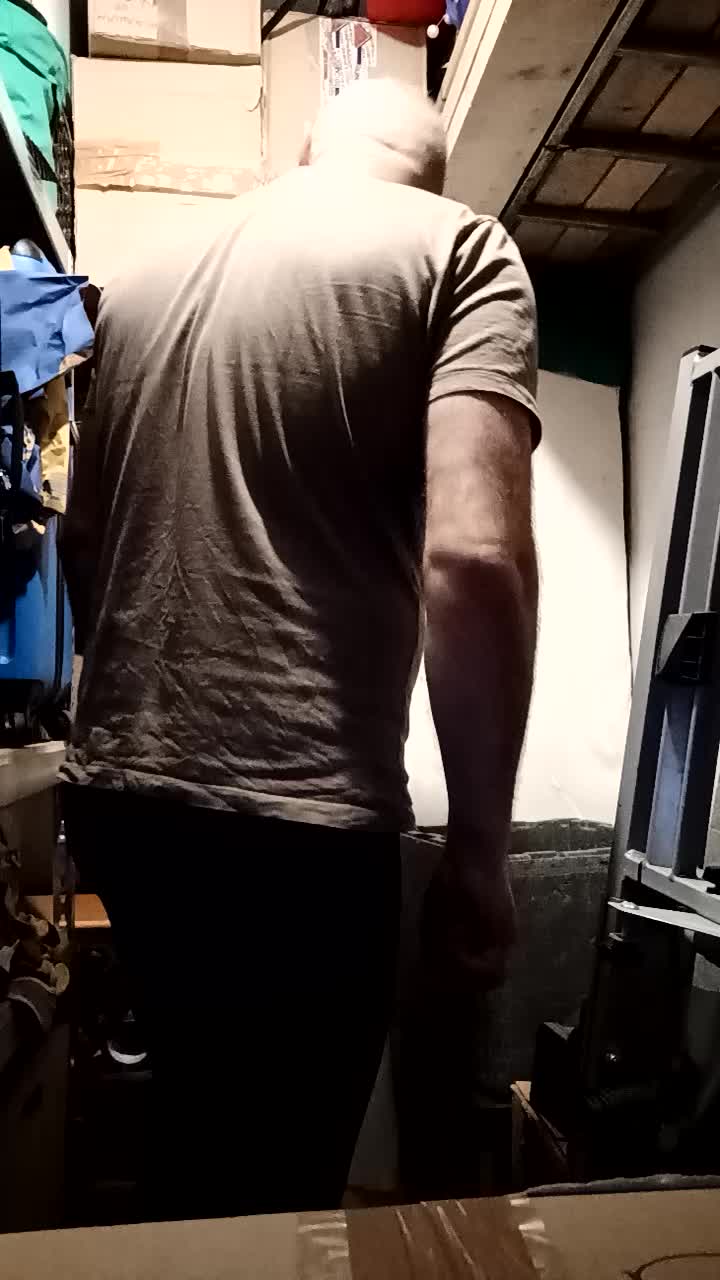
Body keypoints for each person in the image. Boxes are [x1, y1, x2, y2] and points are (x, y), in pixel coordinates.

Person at [60, 79, 539, 1220]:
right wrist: (480, 855)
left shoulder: (137, 283)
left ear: (312, 147)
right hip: (297, 819)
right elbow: (475, 558)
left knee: (195, 1139)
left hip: (125, 803)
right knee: (282, 1192)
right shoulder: (460, 249)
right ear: (431, 173)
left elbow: (83, 543)